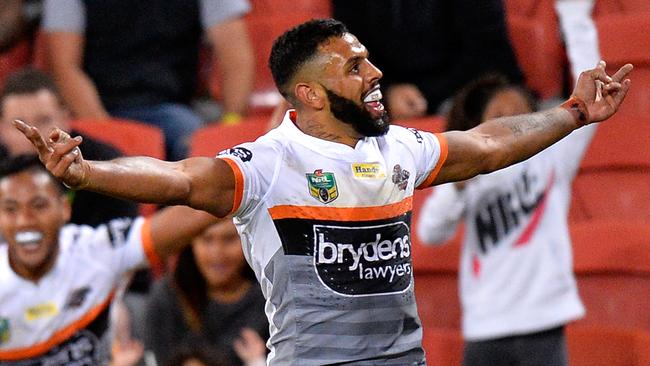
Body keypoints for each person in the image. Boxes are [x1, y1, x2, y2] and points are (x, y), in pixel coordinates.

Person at [13, 18, 631, 366]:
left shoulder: (397, 150)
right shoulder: (266, 165)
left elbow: (491, 145)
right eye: (355, 67)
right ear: (309, 94)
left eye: (368, 60)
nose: (376, 73)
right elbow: (178, 177)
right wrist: (87, 174)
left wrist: (575, 110)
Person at [416, 3, 603, 365]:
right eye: (499, 117)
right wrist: (458, 185)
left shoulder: (551, 157)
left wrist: (575, 17)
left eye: (522, 114)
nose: (513, 124)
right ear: (480, 126)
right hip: (485, 325)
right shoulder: (471, 168)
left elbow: (589, 98)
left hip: (543, 320)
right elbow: (431, 232)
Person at [0, 154, 218, 364]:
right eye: (10, 209)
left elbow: (204, 205)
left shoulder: (98, 251)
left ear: (64, 209)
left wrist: (243, 182)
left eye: (39, 205)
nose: (24, 221)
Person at [42, 0, 255, 160]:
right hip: (98, 108)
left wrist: (231, 123)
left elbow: (236, 58)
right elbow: (65, 68)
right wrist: (111, 135)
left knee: (202, 150)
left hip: (173, 108)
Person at [332, 0, 524, 120]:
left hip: (468, 87)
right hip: (386, 94)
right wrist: (387, 91)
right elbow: (351, 50)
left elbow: (486, 50)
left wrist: (425, 94)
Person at [0, 68, 138, 227]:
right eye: (21, 125)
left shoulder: (103, 163)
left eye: (44, 120)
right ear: (2, 129)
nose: (33, 134)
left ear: (65, 119)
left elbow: (124, 238)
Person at [145, 219, 268, 366]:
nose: (217, 253)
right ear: (190, 243)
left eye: (229, 239)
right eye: (207, 240)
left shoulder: (269, 298)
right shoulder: (168, 297)